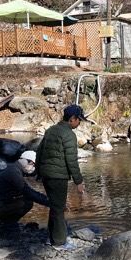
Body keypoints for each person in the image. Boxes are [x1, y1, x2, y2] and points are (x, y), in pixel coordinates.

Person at [36, 104, 86, 251]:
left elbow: (39, 151)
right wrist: (79, 181)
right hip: (58, 177)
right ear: (72, 119)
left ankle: (51, 237)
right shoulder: (69, 135)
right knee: (58, 208)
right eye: (79, 120)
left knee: (53, 206)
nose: (79, 123)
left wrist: (38, 171)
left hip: (46, 175)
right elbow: (71, 160)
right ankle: (59, 242)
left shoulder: (51, 130)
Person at [0, 150, 49, 235]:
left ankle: (7, 222)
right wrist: (48, 202)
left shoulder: (14, 169)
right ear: (28, 162)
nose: (33, 168)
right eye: (33, 165)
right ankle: (8, 223)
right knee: (27, 202)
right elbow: (28, 192)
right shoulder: (13, 173)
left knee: (25, 199)